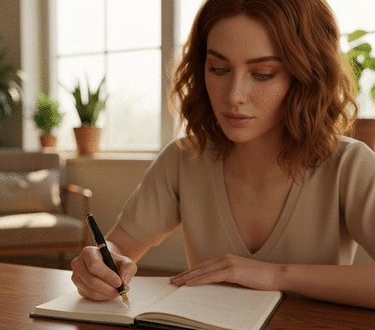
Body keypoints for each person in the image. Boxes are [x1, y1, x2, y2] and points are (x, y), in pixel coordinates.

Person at [71, 0, 375, 309]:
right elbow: (119, 246)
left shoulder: (350, 166)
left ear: (305, 76)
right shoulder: (182, 160)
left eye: (263, 73)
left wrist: (275, 276)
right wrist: (98, 263)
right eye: (219, 69)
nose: (233, 96)